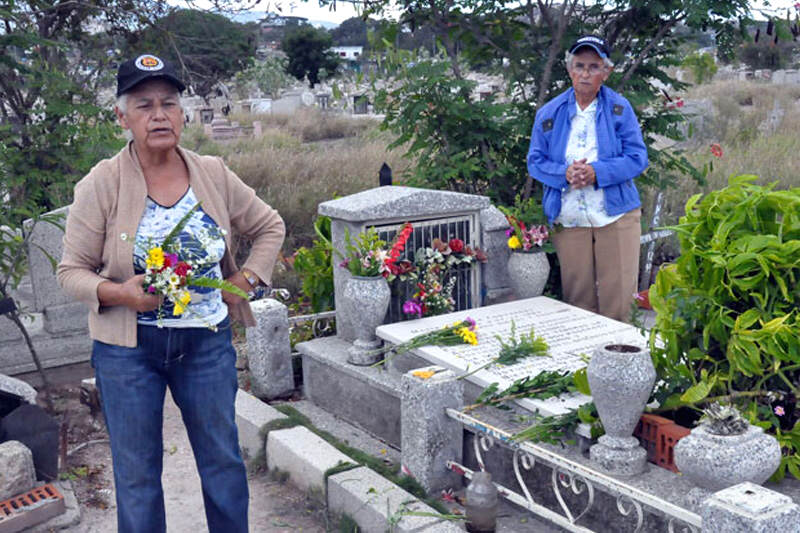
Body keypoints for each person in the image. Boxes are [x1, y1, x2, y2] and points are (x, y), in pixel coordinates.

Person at [57, 54, 285, 533]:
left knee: (222, 463)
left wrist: (245, 281)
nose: (158, 115)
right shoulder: (101, 183)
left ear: (183, 113)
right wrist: (120, 293)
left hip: (206, 345)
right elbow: (70, 272)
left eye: (169, 103)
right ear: (123, 117)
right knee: (137, 476)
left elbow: (269, 226)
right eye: (144, 105)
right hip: (127, 353)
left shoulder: (213, 173)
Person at [527, 35, 648, 323]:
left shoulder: (620, 109)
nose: (585, 73)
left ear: (606, 72)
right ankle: (582, 364)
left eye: (593, 67)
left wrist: (597, 172)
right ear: (569, 70)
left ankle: (618, 360)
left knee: (618, 302)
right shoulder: (550, 113)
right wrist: (564, 173)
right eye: (579, 65)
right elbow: (535, 161)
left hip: (615, 214)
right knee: (577, 301)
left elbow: (637, 158)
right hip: (569, 216)